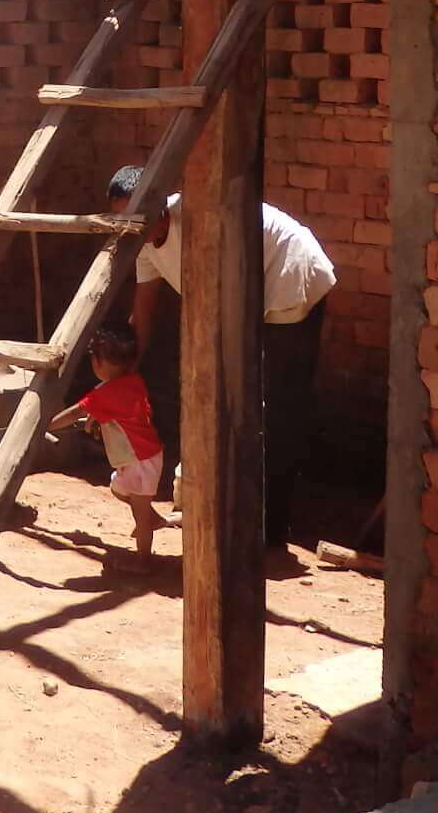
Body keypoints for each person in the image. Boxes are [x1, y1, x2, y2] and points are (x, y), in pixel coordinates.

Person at [105, 164, 336, 551]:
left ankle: (271, 528)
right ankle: (235, 510)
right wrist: (121, 381)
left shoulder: (198, 218)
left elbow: (220, 302)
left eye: (137, 217)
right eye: (122, 218)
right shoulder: (143, 244)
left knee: (276, 406)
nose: (131, 227)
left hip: (289, 273)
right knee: (239, 401)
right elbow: (142, 315)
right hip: (250, 288)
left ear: (160, 208)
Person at [49, 321, 166, 571]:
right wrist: (96, 417)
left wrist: (44, 425)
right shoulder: (131, 381)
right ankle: (152, 519)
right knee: (119, 489)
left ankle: (144, 561)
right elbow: (116, 408)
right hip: (144, 455)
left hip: (140, 459)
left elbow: (74, 413)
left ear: (99, 362)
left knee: (139, 516)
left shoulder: (104, 394)